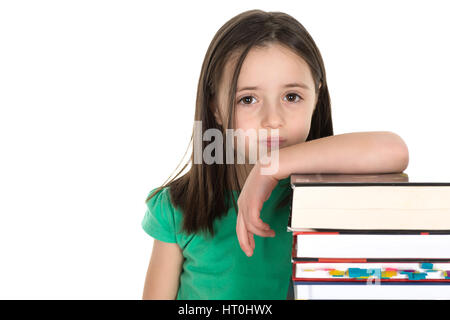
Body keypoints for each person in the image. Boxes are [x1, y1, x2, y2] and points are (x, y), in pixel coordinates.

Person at [141, 9, 409, 300]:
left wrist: (270, 167)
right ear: (216, 107)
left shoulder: (327, 198)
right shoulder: (177, 208)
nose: (272, 119)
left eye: (291, 96)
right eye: (248, 99)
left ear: (316, 97)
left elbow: (394, 150)